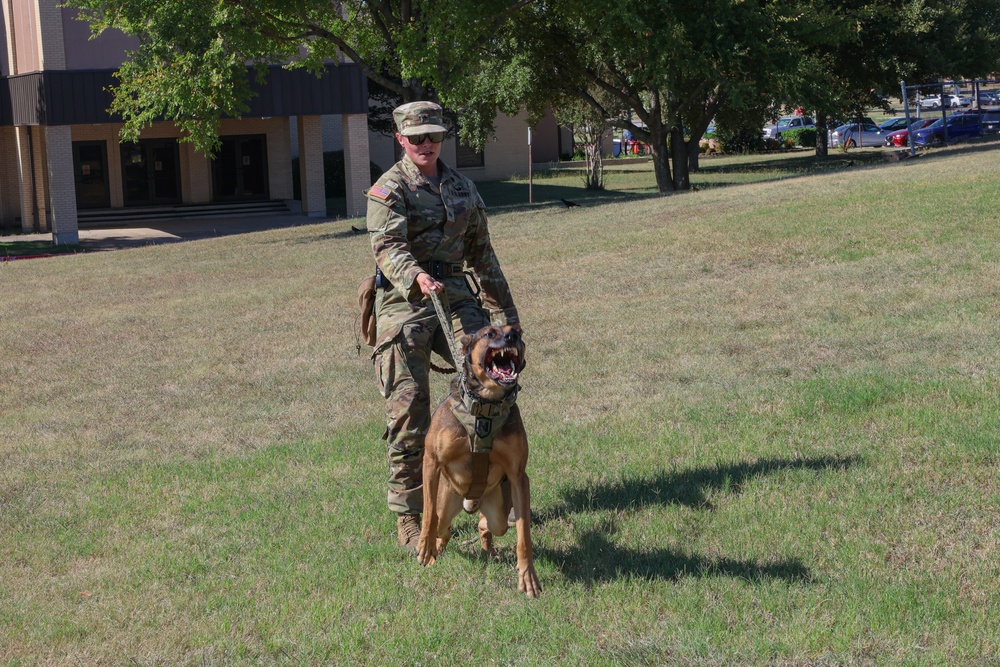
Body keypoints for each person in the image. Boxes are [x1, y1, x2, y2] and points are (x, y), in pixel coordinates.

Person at [365, 101, 521, 554]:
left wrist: (506, 320)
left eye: (433, 137)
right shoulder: (388, 189)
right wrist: (415, 275)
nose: (426, 145)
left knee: (492, 382)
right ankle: (410, 514)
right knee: (410, 406)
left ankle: (490, 485)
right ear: (400, 140)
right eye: (416, 138)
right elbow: (387, 246)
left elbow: (483, 256)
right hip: (403, 298)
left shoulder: (461, 187)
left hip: (455, 293)